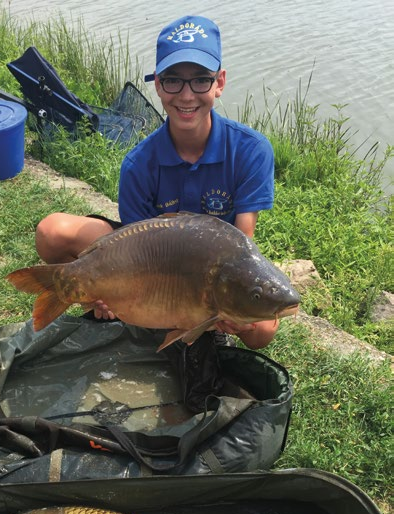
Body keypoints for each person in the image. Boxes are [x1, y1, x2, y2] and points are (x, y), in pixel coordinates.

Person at [35, 15, 278, 350]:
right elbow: (138, 253)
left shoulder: (251, 150)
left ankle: (201, 318)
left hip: (211, 267)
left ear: (220, 82)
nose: (187, 95)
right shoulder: (139, 163)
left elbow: (243, 247)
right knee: (52, 231)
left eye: (201, 81)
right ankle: (92, 296)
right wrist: (111, 296)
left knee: (262, 328)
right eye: (173, 81)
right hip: (150, 259)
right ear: (158, 85)